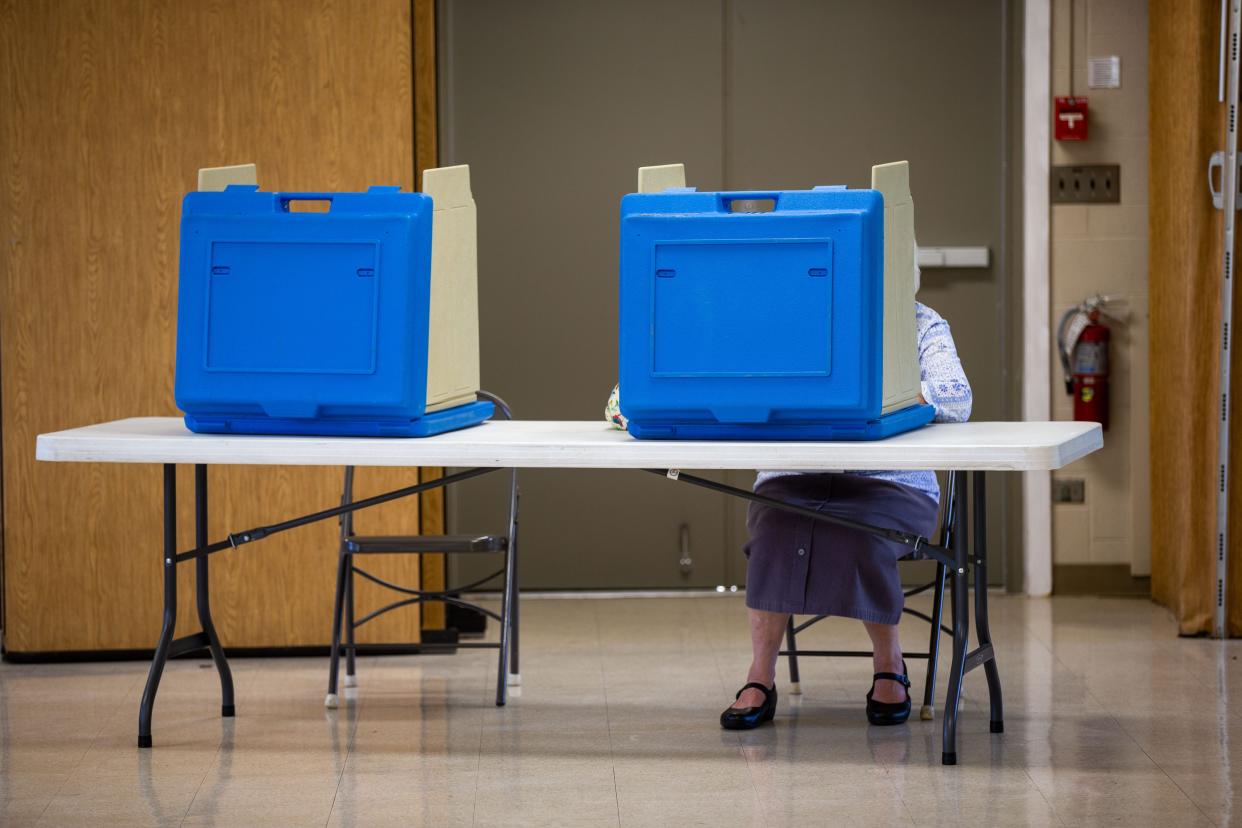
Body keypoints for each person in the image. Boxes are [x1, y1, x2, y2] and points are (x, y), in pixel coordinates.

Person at [605, 297, 971, 730]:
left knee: (862, 532)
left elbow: (956, 398)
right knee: (773, 529)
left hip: (890, 482)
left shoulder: (919, 323)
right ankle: (760, 675)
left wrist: (872, 399)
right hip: (793, 475)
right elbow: (668, 388)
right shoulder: (785, 309)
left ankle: (890, 664)